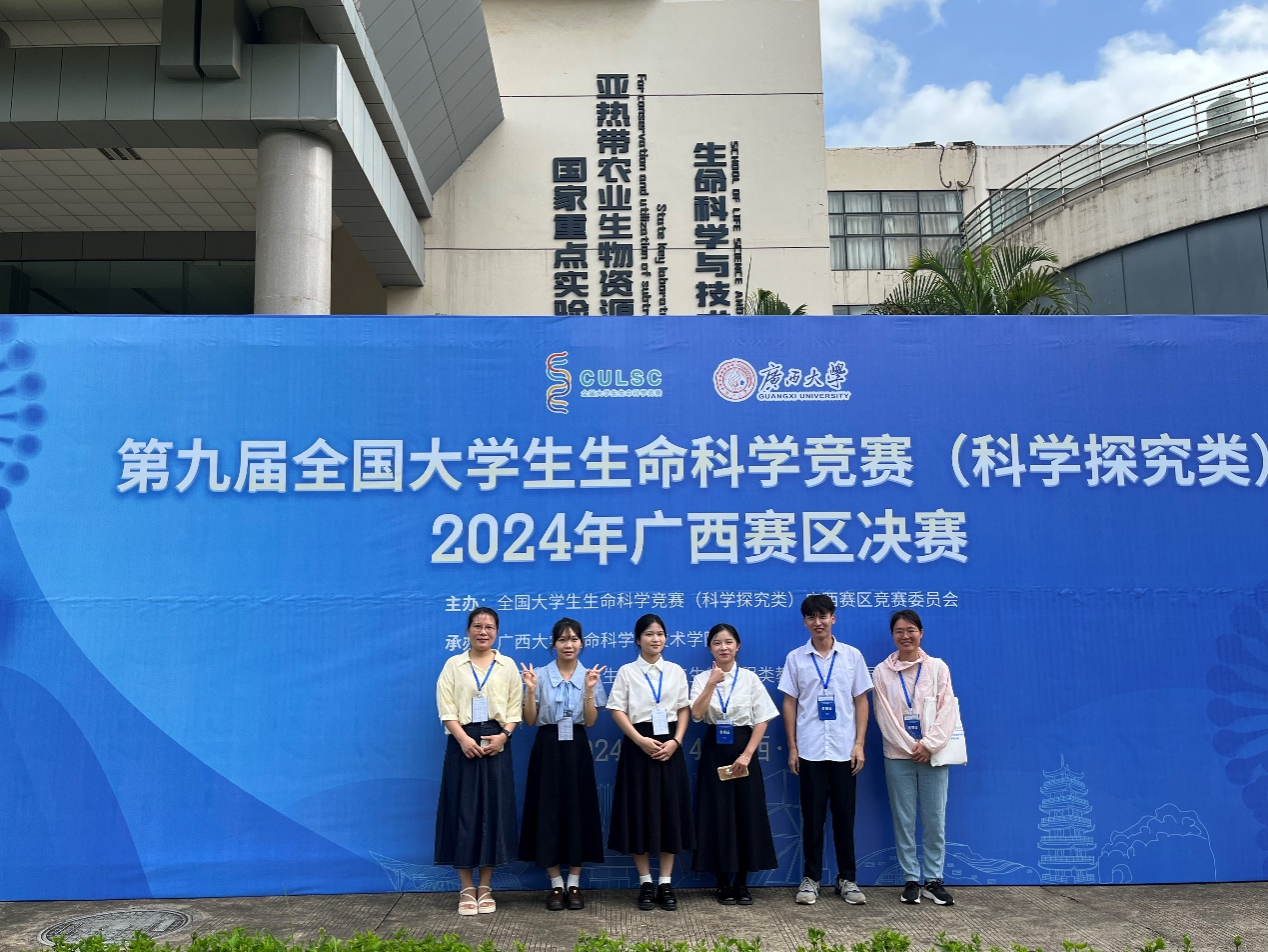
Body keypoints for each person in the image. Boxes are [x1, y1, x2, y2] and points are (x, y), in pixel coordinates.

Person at [778, 593, 873, 906]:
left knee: (845, 817)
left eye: (823, 616)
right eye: (811, 617)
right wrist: (792, 747)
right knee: (812, 818)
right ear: (804, 621)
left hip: (845, 750)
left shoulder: (852, 656)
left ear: (834, 617)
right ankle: (811, 879)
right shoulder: (796, 659)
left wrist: (859, 744)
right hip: (810, 750)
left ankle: (847, 879)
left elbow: (861, 700)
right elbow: (789, 702)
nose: (817, 622)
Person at [434, 606, 523, 916]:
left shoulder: (507, 665)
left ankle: (485, 886)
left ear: (497, 632)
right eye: (477, 626)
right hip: (463, 742)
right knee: (463, 812)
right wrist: (462, 739)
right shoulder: (454, 665)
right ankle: (465, 887)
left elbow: (515, 708)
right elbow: (446, 707)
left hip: (496, 743)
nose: (483, 632)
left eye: (489, 627)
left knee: (492, 813)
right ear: (468, 630)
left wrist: (504, 736)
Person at [606, 612, 695, 911]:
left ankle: (665, 883)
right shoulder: (627, 672)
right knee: (639, 813)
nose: (655, 639)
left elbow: (683, 709)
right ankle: (645, 882)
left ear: (666, 638)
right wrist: (639, 740)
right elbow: (617, 709)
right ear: (638, 640)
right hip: (638, 745)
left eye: (659, 634)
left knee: (670, 812)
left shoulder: (675, 671)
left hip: (669, 744)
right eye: (649, 634)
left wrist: (676, 741)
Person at [518, 618, 608, 911]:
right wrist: (530, 690)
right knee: (547, 810)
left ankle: (574, 883)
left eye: (574, 639)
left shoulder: (590, 675)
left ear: (581, 643)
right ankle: (556, 883)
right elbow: (530, 720)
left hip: (577, 746)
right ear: (553, 644)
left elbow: (590, 722)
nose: (568, 645)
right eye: (562, 640)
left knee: (578, 809)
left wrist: (589, 689)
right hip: (547, 745)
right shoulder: (540, 675)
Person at [689, 623, 780, 905]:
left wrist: (747, 755)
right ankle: (722, 882)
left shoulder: (750, 679)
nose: (723, 647)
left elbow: (762, 719)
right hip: (714, 749)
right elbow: (696, 714)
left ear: (738, 646)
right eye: (717, 642)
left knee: (745, 813)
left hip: (743, 749)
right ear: (710, 648)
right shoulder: (701, 679)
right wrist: (711, 684)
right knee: (716, 813)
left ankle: (741, 882)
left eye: (728, 642)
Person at [872, 609, 957, 906]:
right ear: (892, 635)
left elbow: (948, 709)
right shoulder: (882, 671)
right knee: (904, 818)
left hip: (933, 755)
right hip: (898, 756)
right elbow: (884, 715)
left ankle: (933, 879)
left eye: (911, 630)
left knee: (934, 818)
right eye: (899, 631)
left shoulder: (937, 668)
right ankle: (910, 879)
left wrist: (929, 745)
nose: (905, 636)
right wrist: (912, 746)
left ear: (921, 633)